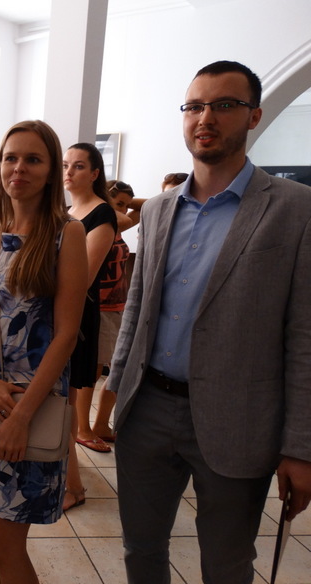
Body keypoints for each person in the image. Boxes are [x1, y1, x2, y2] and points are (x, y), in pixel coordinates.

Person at [107, 60, 311, 583]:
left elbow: (305, 339)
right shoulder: (157, 210)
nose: (206, 118)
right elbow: (137, 308)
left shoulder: (295, 209)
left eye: (224, 105)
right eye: (195, 106)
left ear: (254, 116)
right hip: (147, 409)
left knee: (226, 564)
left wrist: (300, 447)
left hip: (239, 420)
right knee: (140, 550)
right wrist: (117, 390)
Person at [0, 120, 87, 584]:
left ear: (51, 171)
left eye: (33, 159)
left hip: (31, 406)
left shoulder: (67, 234)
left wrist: (21, 416)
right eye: (11, 158)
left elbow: (66, 335)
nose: (19, 168)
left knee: (2, 541)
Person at [61, 142, 117, 512]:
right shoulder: (66, 211)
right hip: (56, 313)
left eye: (78, 166)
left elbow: (82, 277)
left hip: (76, 317)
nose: (69, 172)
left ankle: (74, 487)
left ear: (95, 173)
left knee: (64, 407)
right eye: (66, 165)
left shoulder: (102, 214)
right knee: (58, 407)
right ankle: (67, 480)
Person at [89, 179, 138, 444]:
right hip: (102, 307)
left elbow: (144, 208)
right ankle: (86, 428)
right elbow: (131, 218)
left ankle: (100, 424)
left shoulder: (116, 222)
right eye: (120, 203)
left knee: (117, 369)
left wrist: (125, 202)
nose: (125, 210)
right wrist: (109, 203)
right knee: (95, 372)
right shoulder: (108, 222)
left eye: (127, 205)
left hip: (117, 307)